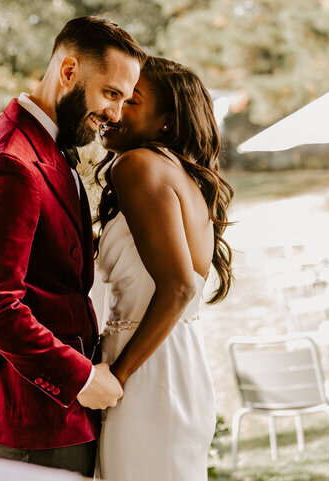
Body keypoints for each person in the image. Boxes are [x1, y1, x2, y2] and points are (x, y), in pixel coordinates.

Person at [0, 16, 147, 476]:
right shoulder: (12, 163)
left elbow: (47, 273)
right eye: (111, 94)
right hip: (36, 422)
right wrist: (79, 378)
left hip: (48, 410)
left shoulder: (46, 144)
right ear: (68, 71)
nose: (116, 114)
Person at [93, 56, 233, 481]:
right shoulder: (182, 175)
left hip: (145, 374)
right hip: (176, 365)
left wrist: (116, 377)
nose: (110, 111)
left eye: (129, 101)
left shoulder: (137, 165)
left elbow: (177, 289)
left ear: (165, 123)